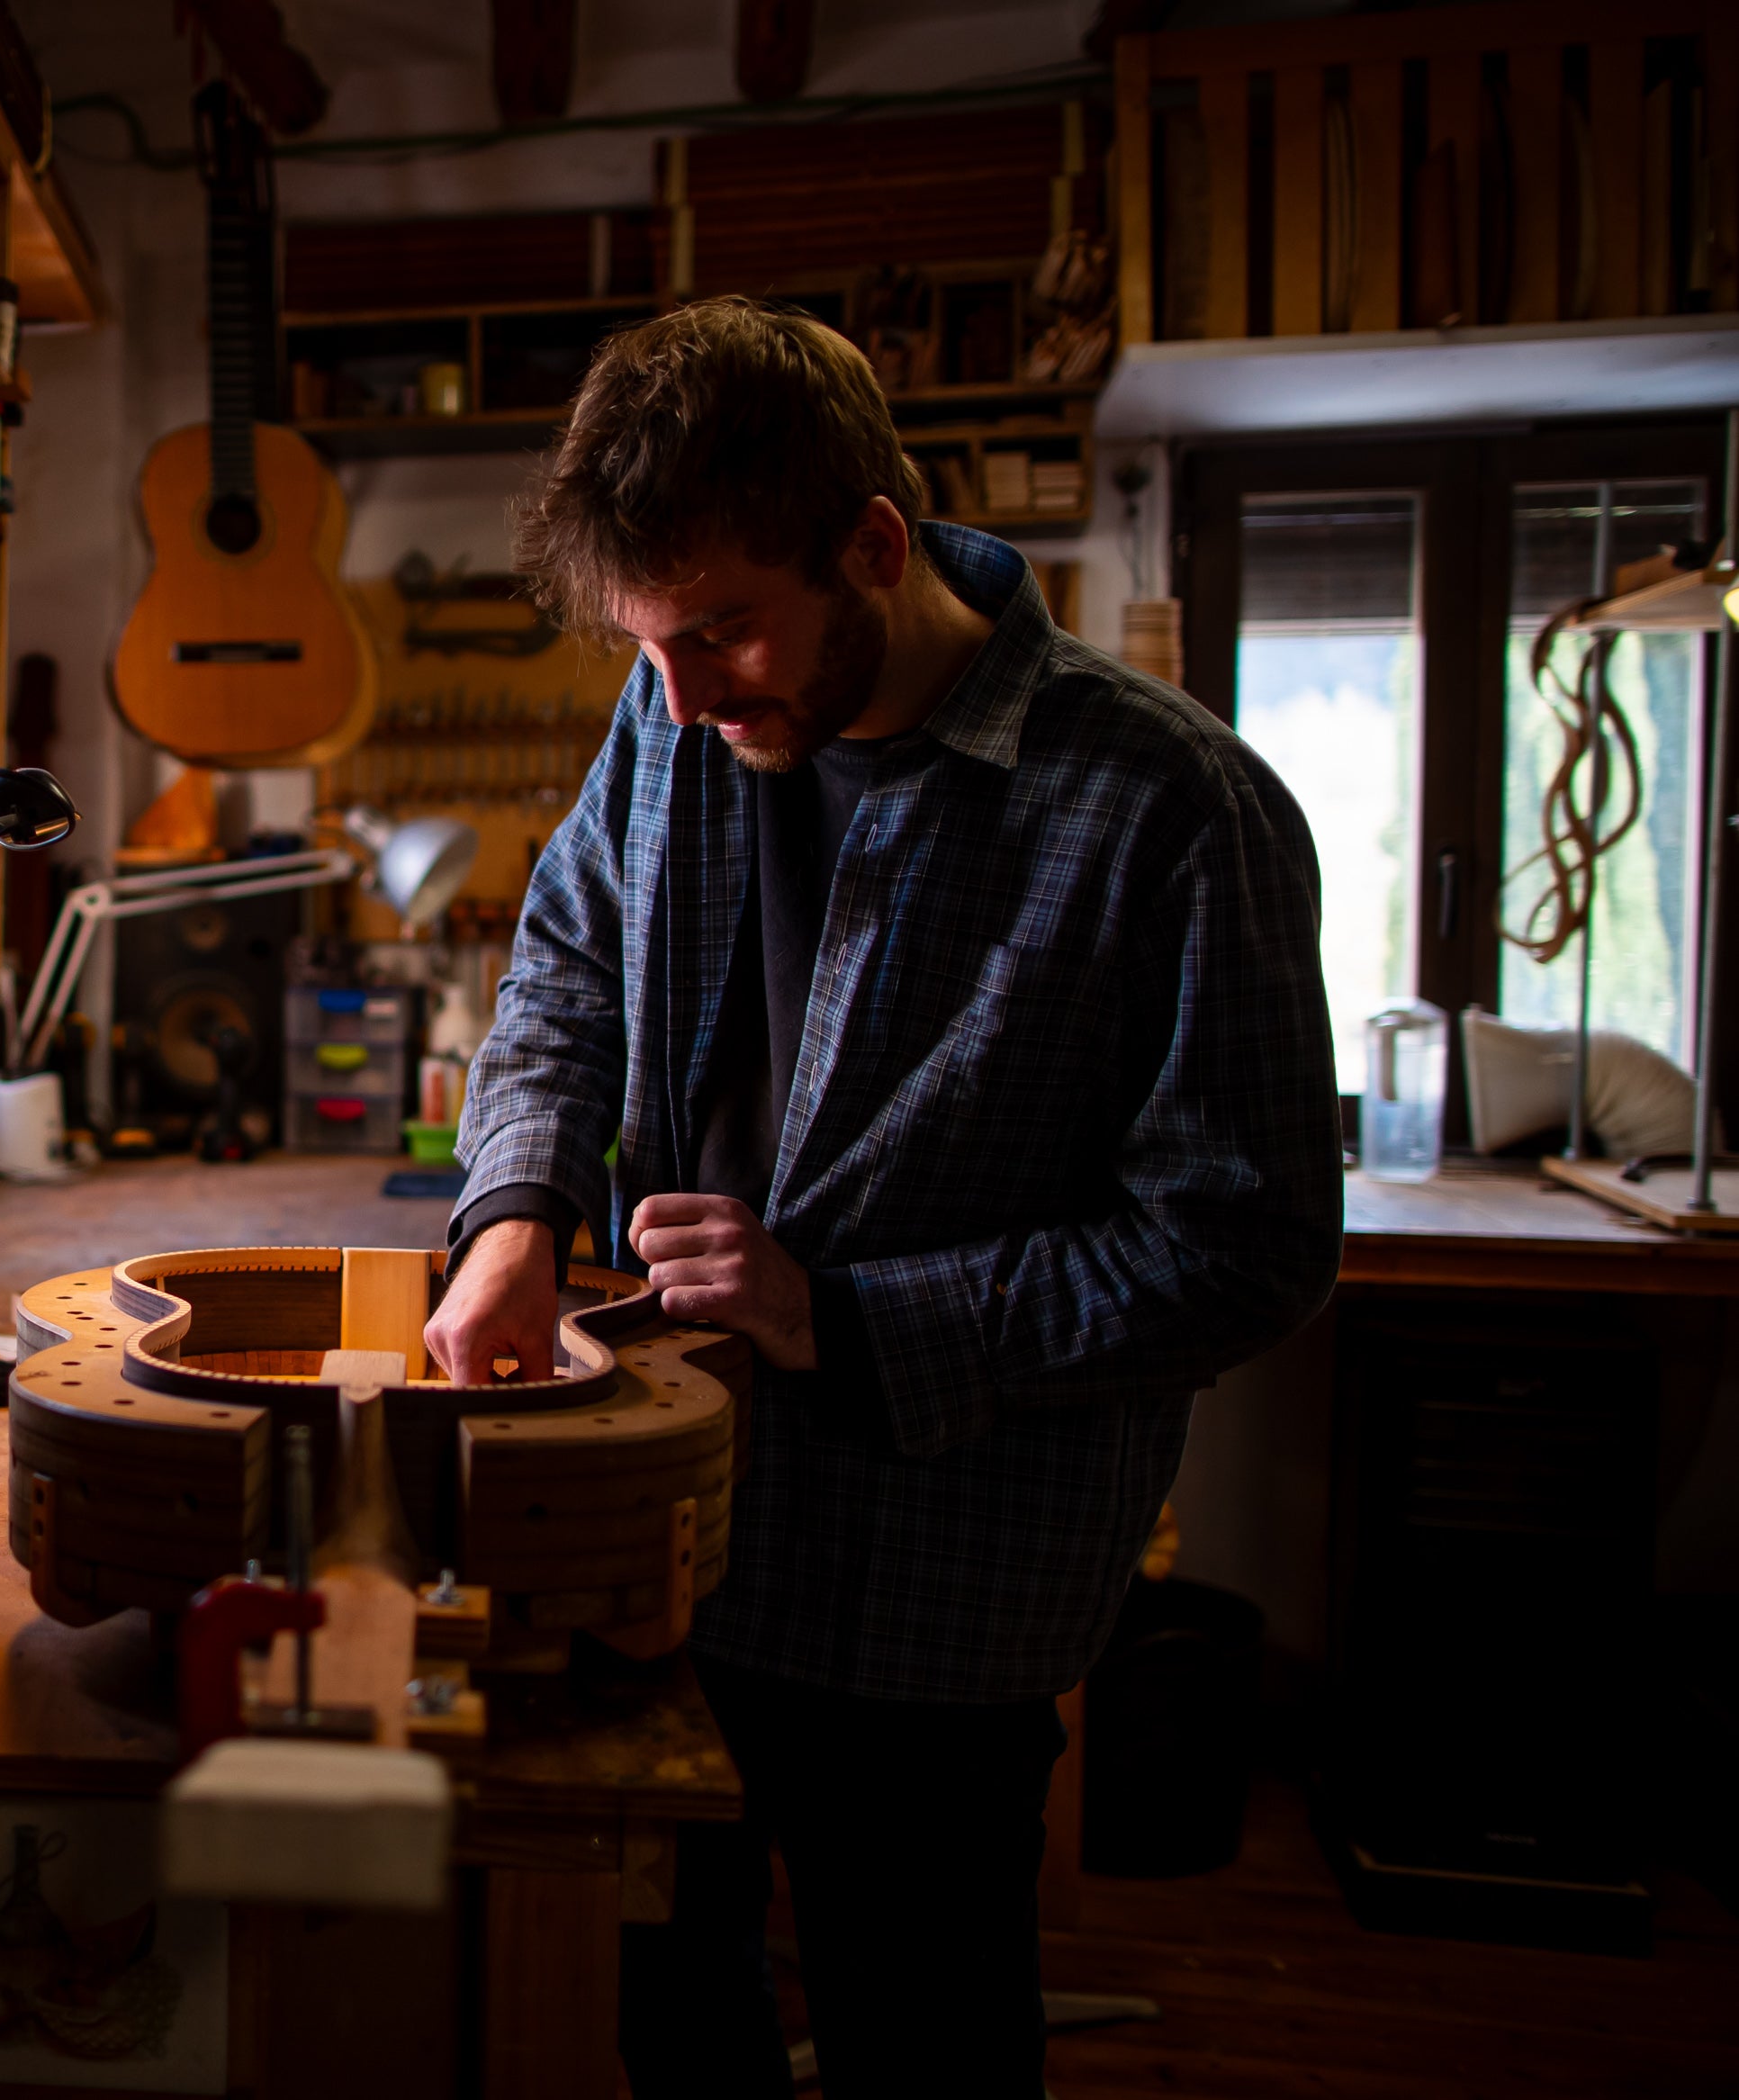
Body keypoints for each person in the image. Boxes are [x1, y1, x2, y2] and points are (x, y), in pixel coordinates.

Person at [423, 299, 1339, 2097]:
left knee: (924, 2033)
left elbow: (1244, 1251)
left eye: (722, 634)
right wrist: (516, 1208)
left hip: (939, 1591)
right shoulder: (676, 708)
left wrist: (832, 1314)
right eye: (646, 647)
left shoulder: (1170, 807)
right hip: (658, 1529)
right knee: (658, 2015)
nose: (680, 698)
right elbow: (566, 972)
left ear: (871, 545)